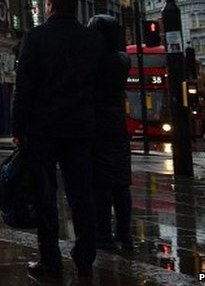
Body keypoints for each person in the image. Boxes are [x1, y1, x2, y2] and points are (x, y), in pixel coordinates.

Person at [12, 0, 104, 279]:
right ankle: (85, 256)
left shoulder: (36, 37)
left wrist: (18, 126)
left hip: (44, 128)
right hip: (80, 128)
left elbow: (23, 86)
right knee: (81, 194)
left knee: (45, 194)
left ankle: (50, 259)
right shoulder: (92, 40)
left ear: (49, 5)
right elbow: (99, 88)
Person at [87, 14, 133, 251]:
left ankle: (103, 233)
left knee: (100, 185)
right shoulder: (123, 60)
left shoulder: (95, 62)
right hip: (118, 125)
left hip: (98, 125)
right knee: (121, 184)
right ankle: (125, 233)